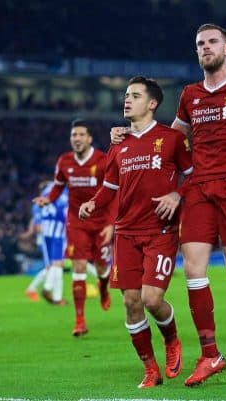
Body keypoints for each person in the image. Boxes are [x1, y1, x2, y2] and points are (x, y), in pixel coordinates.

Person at [111, 23, 226, 386]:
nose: (205, 48)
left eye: (211, 42)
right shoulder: (190, 94)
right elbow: (171, 138)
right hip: (199, 189)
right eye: (199, 44)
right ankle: (211, 355)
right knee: (193, 272)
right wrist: (134, 131)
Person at [80, 76, 193, 388]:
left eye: (135, 96)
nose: (127, 100)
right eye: (126, 95)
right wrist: (93, 203)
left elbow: (193, 176)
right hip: (126, 233)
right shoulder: (118, 146)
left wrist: (176, 195)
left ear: (152, 103)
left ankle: (171, 339)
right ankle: (150, 370)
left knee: (152, 299)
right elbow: (109, 187)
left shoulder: (170, 139)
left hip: (161, 230)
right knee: (131, 303)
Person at [36, 119, 114, 336]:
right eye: (74, 135)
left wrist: (111, 224)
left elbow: (113, 191)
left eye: (81, 135)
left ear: (89, 138)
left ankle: (104, 287)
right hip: (76, 221)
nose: (77, 139)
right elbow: (59, 186)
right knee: (78, 268)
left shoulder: (102, 160)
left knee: (101, 268)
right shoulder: (64, 161)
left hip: (100, 222)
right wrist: (48, 200)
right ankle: (80, 320)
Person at [24, 181, 68, 305]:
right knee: (55, 265)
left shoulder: (41, 202)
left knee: (54, 266)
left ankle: (53, 295)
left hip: (47, 234)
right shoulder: (63, 195)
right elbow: (38, 226)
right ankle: (47, 290)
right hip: (55, 233)